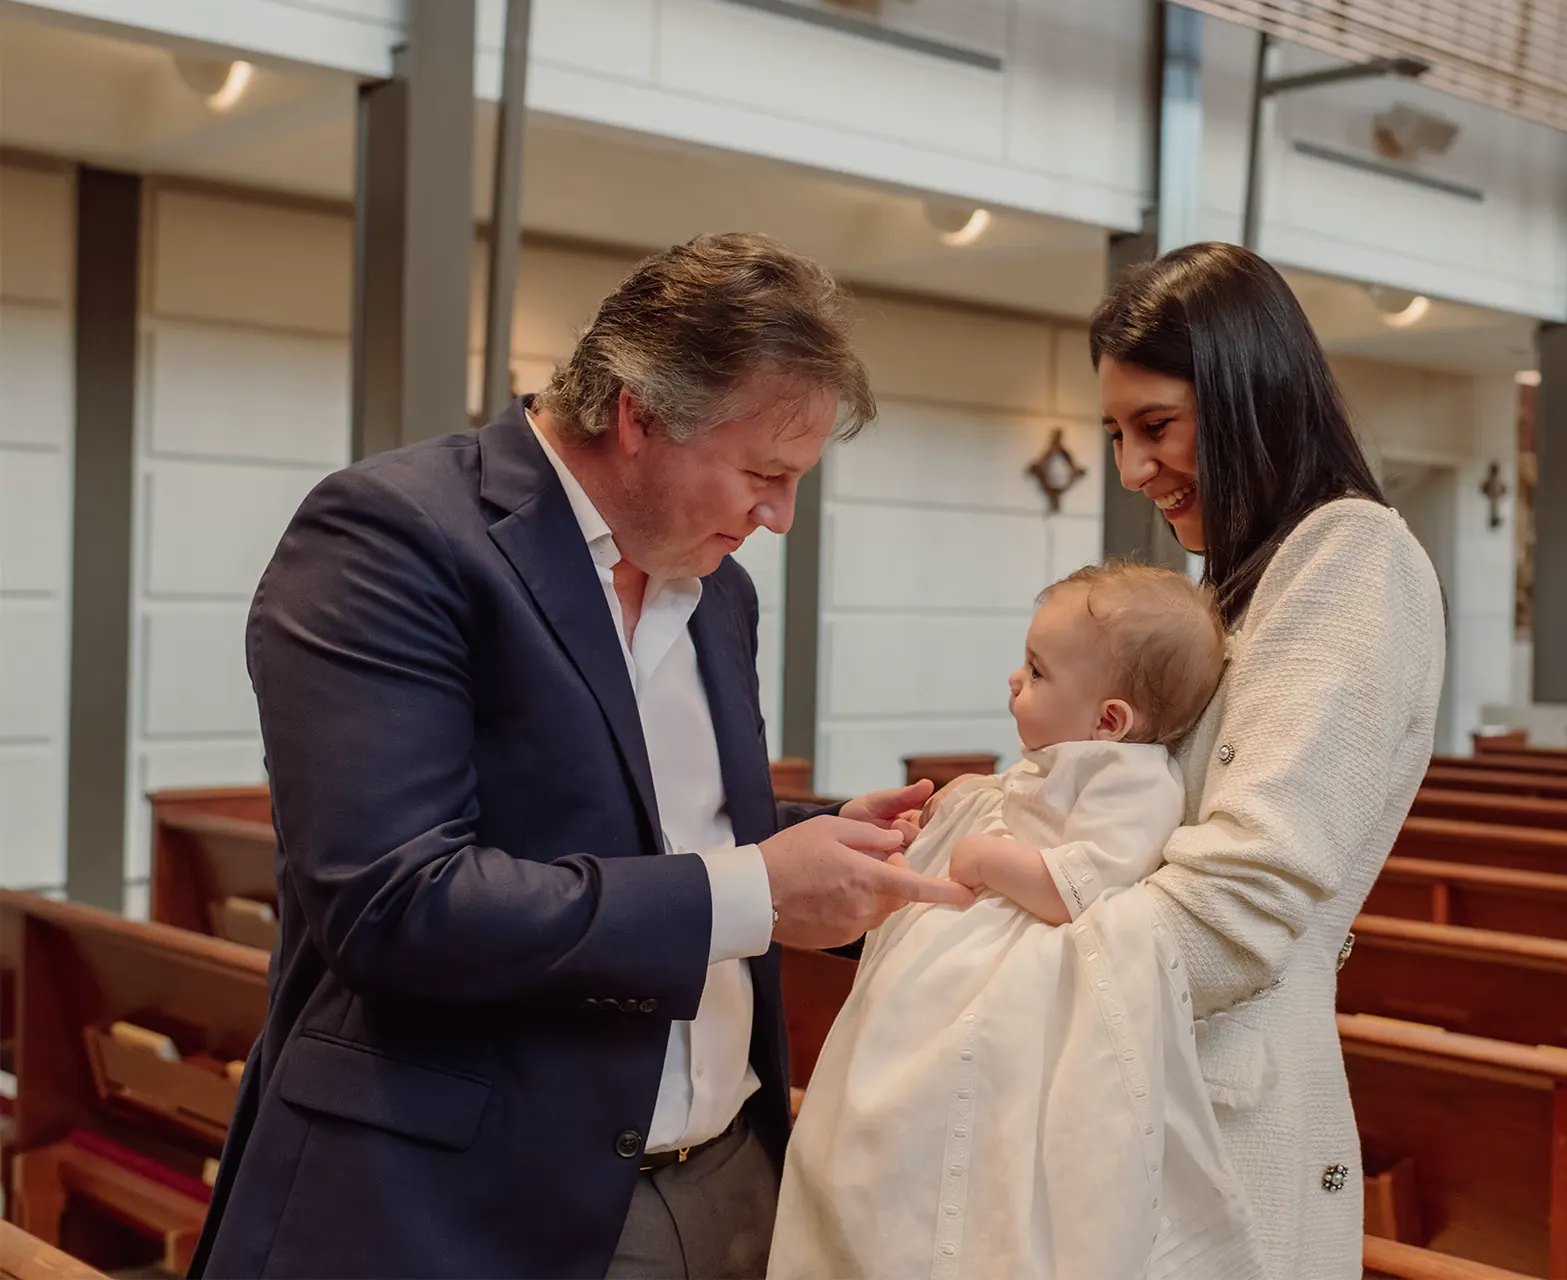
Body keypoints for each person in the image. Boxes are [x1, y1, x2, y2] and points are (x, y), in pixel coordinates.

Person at [190, 233, 972, 1280]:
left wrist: (817, 845)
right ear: (640, 415)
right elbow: (393, 902)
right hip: (472, 1201)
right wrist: (757, 890)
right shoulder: (396, 534)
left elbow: (650, 828)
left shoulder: (717, 589)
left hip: (733, 1167)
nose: (778, 516)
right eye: (762, 473)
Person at [1089, 242, 1447, 1276]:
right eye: (1116, 432)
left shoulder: (1351, 559)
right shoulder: (1242, 580)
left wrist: (1010, 969)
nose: (1132, 468)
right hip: (1163, 1069)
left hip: (1234, 1106)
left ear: (1252, 392)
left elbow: (1242, 895)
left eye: (1156, 426)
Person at [769, 561, 1262, 1280]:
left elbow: (1080, 885)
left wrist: (981, 859)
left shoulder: (1136, 783)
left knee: (959, 1110)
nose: (1013, 681)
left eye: (1036, 671)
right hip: (953, 962)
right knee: (883, 1101)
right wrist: (967, 802)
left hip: (1017, 984)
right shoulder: (1057, 761)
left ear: (1109, 720)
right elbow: (1020, 805)